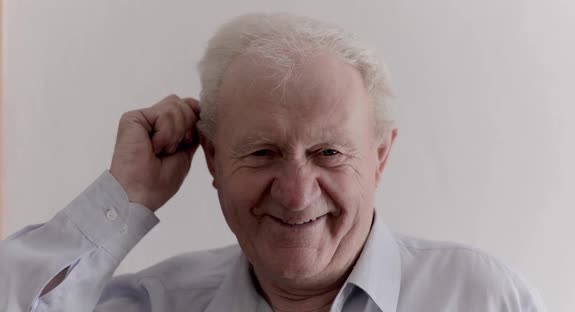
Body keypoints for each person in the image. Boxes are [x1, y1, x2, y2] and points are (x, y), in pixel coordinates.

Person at [0, 13, 545, 312]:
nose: (296, 192)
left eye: (328, 153)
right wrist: (125, 196)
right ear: (211, 158)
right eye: (262, 152)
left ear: (380, 158)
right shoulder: (158, 303)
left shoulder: (482, 297)